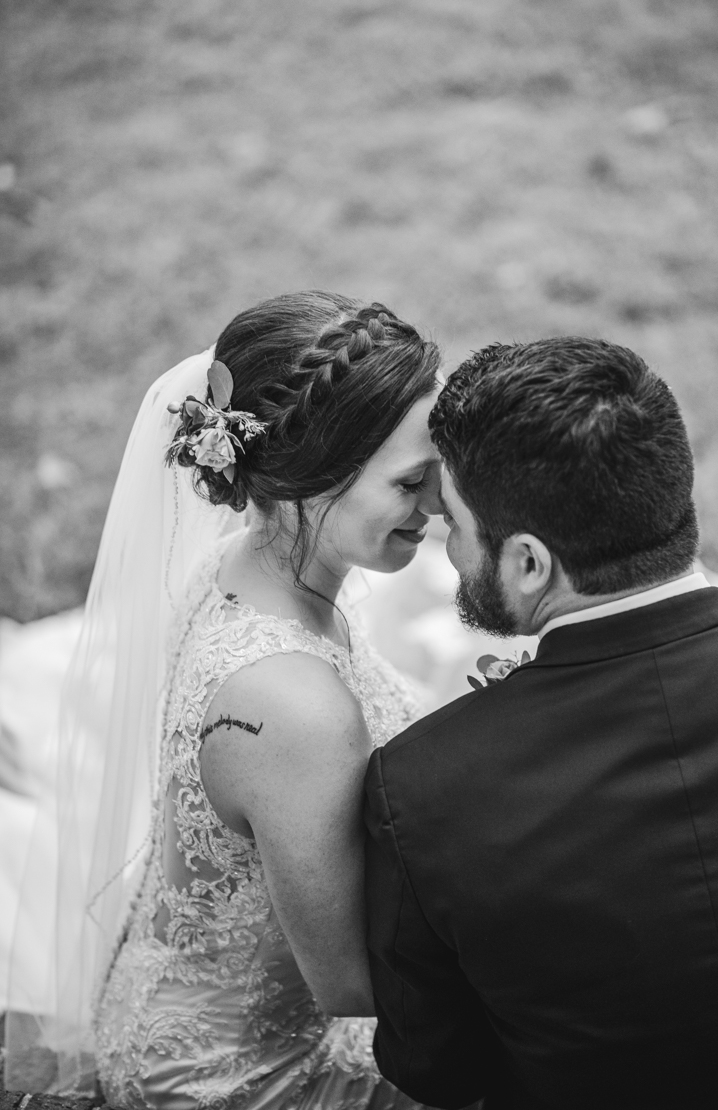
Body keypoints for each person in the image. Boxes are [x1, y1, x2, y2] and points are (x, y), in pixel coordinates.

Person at [5, 291, 448, 1109]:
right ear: (313, 481)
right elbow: (351, 980)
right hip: (238, 1075)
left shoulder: (238, 569)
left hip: (172, 999)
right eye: (414, 481)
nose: (440, 505)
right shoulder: (291, 703)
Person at [364, 337, 718, 1110]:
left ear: (530, 563)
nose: (445, 538)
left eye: (455, 523)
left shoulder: (425, 788)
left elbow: (437, 1071)